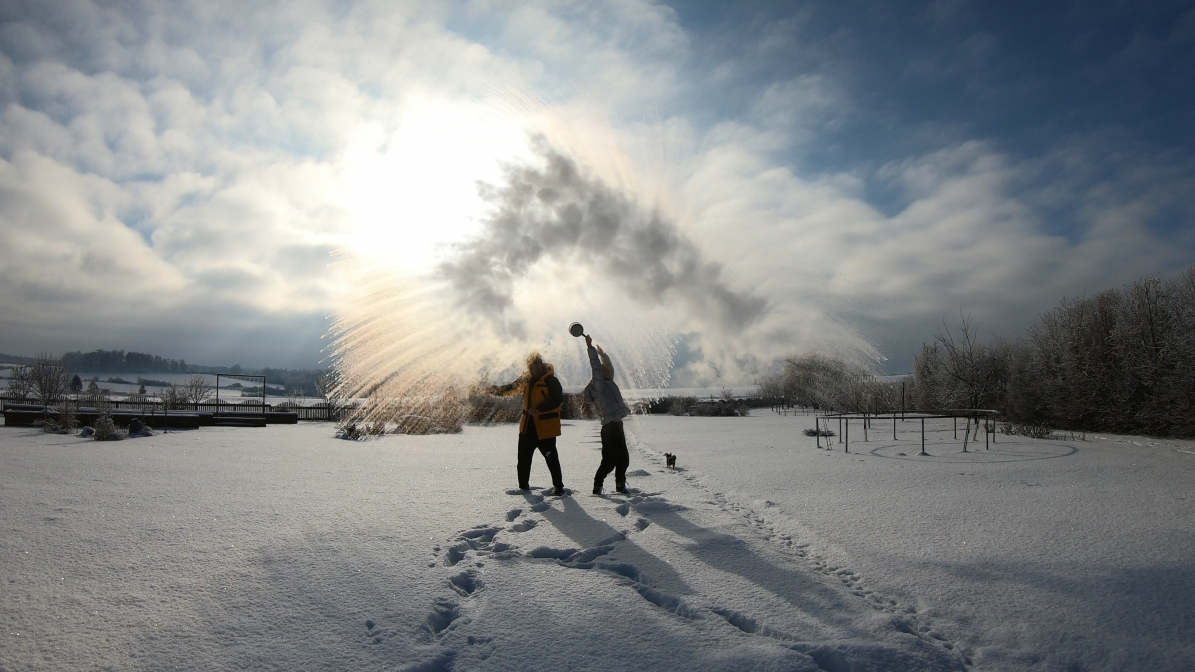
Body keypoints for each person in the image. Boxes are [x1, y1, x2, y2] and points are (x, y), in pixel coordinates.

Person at [488, 352, 567, 496]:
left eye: (533, 367)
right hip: (527, 427)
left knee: (552, 459)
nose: (530, 370)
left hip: (545, 429)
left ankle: (559, 487)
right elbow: (510, 389)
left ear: (539, 365)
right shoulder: (526, 379)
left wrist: (539, 408)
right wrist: (492, 390)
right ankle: (523, 489)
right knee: (523, 460)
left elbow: (557, 399)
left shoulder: (551, 381)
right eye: (529, 367)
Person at [581, 335, 631, 495]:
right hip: (609, 428)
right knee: (609, 462)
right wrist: (589, 347)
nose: (607, 369)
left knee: (623, 460)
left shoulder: (609, 380)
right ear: (599, 376)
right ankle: (597, 485)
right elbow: (595, 366)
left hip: (618, 426)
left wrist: (602, 354)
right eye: (604, 370)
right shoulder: (599, 386)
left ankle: (620, 485)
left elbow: (607, 366)